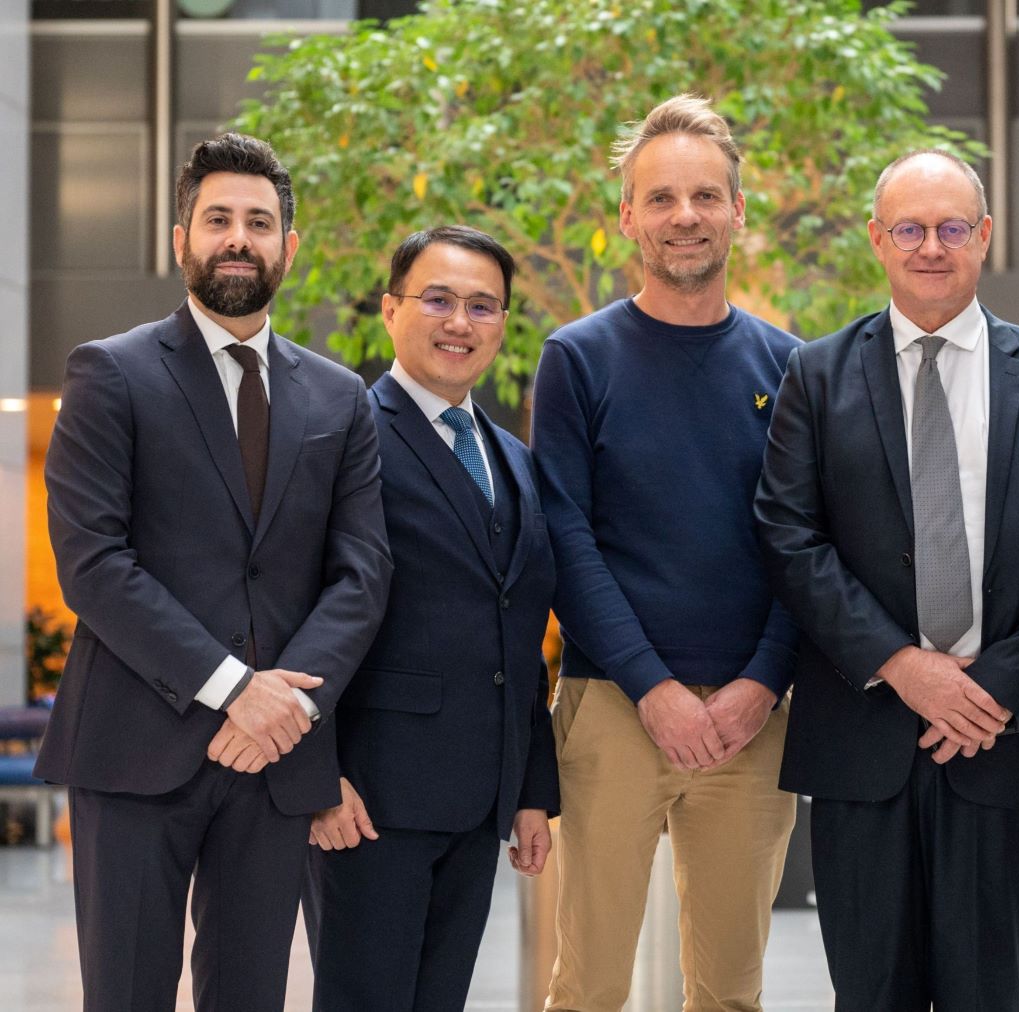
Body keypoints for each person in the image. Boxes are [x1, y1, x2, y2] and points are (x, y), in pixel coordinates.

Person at [36, 133, 392, 1011]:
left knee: (250, 995)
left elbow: (362, 573)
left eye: (259, 223)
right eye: (219, 219)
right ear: (181, 239)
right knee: (126, 994)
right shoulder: (110, 373)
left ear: (289, 247)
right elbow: (93, 564)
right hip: (134, 748)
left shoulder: (341, 397)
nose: (239, 238)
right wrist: (238, 689)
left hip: (275, 760)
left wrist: (290, 707)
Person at [755, 149, 1019, 1011]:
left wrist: (992, 688)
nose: (930, 247)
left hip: (1004, 738)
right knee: (869, 993)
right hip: (863, 738)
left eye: (951, 228)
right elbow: (788, 535)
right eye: (910, 229)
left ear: (984, 236)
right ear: (877, 239)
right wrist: (901, 665)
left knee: (989, 992)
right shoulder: (816, 375)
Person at [531, 94, 801, 1012]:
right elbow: (566, 538)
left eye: (704, 195)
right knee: (589, 986)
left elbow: (806, 543)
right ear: (627, 216)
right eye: (661, 198)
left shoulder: (791, 367)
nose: (684, 216)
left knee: (731, 992)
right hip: (613, 705)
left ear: (737, 211)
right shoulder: (577, 359)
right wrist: (653, 689)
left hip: (751, 720)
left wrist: (761, 683)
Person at [303, 226, 559, 1011]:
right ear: (390, 310)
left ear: (503, 324)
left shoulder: (514, 458)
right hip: (367, 797)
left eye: (482, 306)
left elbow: (518, 629)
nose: (460, 322)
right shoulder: (341, 437)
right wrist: (315, 775)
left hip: (478, 799)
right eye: (438, 300)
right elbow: (296, 609)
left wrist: (530, 787)